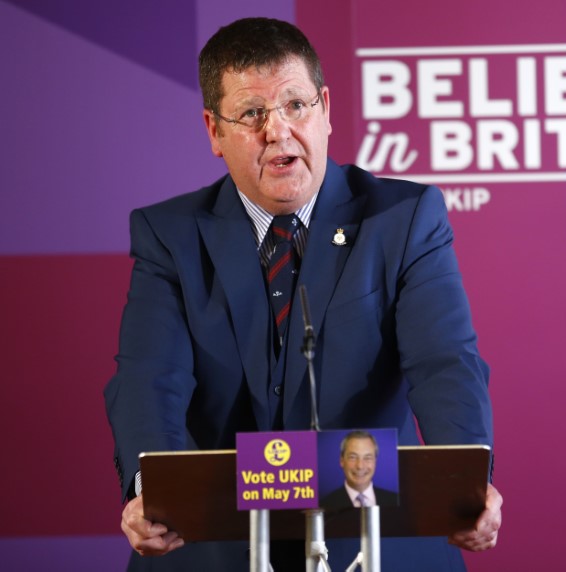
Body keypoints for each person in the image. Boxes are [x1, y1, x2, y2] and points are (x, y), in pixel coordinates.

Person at [104, 16, 502, 572]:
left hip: (372, 534)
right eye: (252, 114)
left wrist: (465, 482)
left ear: (326, 110)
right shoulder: (170, 236)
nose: (278, 130)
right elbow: (150, 377)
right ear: (214, 132)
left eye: (296, 105)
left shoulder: (403, 219)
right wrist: (154, 491)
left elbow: (444, 363)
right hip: (217, 542)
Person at [321, 430, 398, 509]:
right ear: (342, 461)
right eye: (353, 457)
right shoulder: (324, 504)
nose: (360, 466)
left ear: (375, 462)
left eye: (367, 458)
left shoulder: (394, 499)